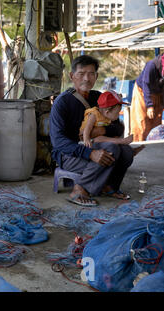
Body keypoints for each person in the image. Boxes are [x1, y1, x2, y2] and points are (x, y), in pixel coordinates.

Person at [50, 55, 140, 206]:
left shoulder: (100, 97)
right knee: (111, 150)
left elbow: (118, 126)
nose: (86, 78)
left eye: (91, 74)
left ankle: (109, 186)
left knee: (126, 151)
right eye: (81, 74)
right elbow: (58, 141)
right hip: (68, 154)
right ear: (72, 76)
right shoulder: (62, 102)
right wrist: (89, 153)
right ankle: (79, 189)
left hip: (94, 146)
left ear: (96, 76)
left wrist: (102, 131)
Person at [130, 54, 164, 142]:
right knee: (141, 123)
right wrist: (149, 106)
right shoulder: (151, 65)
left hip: (158, 93)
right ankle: (138, 145)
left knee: (156, 123)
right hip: (142, 92)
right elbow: (146, 84)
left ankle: (155, 146)